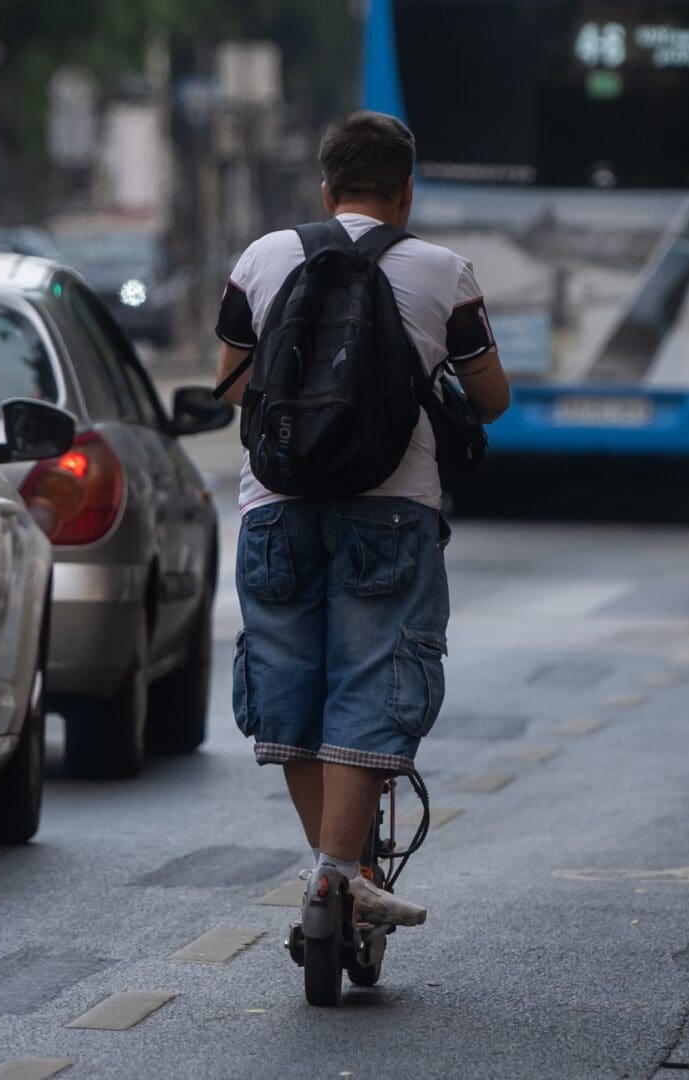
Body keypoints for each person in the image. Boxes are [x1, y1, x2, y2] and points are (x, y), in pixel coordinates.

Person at [214, 111, 511, 925]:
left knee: (290, 686)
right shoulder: (445, 272)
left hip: (275, 505)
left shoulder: (265, 257)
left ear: (326, 185)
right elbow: (492, 399)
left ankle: (330, 874)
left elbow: (235, 383)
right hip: (391, 509)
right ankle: (337, 875)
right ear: (406, 192)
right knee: (371, 682)